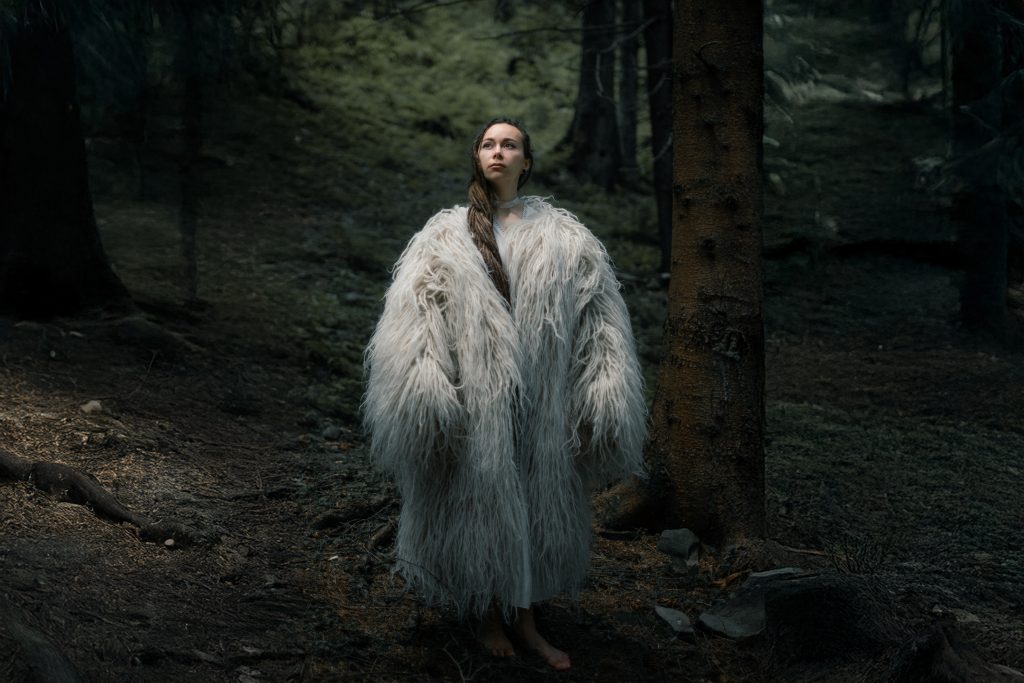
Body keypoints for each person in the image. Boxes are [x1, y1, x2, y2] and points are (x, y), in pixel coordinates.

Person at [363, 117, 646, 671]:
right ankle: (487, 615)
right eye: (489, 144)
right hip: (476, 400)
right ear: (476, 157)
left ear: (527, 160)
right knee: (478, 500)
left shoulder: (565, 237)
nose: (498, 152)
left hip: (544, 402)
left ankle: (525, 618)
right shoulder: (443, 235)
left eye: (509, 145)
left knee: (537, 502)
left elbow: (601, 320)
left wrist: (604, 389)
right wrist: (427, 388)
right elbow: (416, 316)